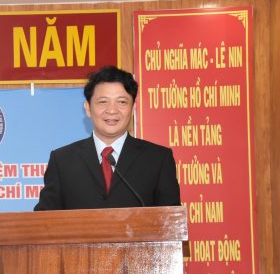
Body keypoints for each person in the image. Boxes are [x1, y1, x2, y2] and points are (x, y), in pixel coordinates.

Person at [33, 65, 181, 211]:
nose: (112, 110)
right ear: (88, 108)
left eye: (121, 102)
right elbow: (44, 220)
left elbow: (172, 220)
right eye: (103, 102)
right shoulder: (62, 161)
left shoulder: (158, 159)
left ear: (133, 108)